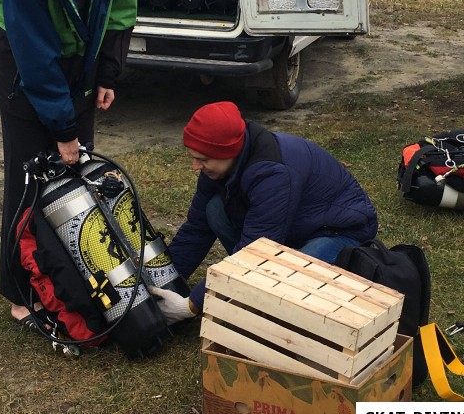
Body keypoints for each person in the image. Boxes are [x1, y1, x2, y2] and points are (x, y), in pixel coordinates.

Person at [0, 0, 137, 328]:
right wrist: (62, 126)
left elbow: (120, 4)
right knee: (32, 175)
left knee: (74, 175)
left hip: (79, 56)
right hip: (21, 58)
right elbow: (34, 52)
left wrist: (108, 73)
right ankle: (20, 293)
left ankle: (65, 274)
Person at [150, 101, 378, 325]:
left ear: (228, 152)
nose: (195, 166)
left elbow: (254, 250)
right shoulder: (219, 165)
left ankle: (262, 283)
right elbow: (197, 228)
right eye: (194, 157)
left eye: (203, 159)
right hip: (294, 227)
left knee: (292, 284)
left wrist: (191, 305)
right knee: (214, 209)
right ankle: (255, 283)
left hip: (340, 230)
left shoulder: (273, 174)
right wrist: (163, 281)